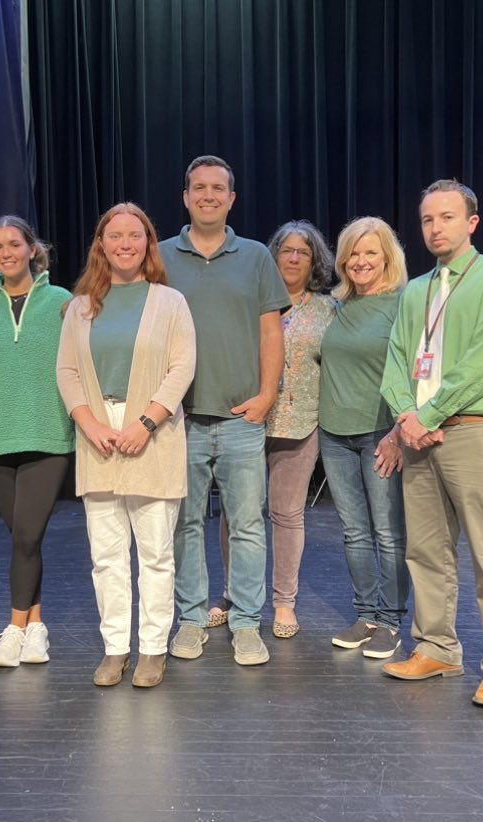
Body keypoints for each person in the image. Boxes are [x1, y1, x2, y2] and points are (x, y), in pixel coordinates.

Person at [380, 179, 483, 709]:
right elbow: (397, 360)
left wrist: (429, 414)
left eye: (446, 217)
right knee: (426, 552)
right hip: (419, 435)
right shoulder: (415, 290)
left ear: (471, 222)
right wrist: (405, 417)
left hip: (473, 430)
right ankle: (437, 648)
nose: (435, 227)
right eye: (426, 220)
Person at [57, 203, 196, 687]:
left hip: (151, 432)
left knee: (156, 551)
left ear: (147, 243)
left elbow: (182, 367)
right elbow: (67, 371)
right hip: (99, 434)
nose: (124, 244)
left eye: (134, 235)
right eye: (114, 236)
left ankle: (153, 649)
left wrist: (146, 421)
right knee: (107, 553)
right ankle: (116, 648)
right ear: (101, 244)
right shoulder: (81, 306)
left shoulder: (169, 301)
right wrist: (90, 423)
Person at [160, 156, 290, 666]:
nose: (208, 195)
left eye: (218, 188)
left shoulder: (256, 256)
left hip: (241, 418)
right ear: (186, 196)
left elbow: (270, 330)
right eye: (199, 187)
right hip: (179, 419)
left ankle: (245, 624)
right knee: (185, 524)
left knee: (248, 526)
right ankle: (191, 620)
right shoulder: (161, 255)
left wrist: (266, 395)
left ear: (232, 198)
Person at [208, 221, 335, 638]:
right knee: (238, 513)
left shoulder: (328, 309)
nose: (294, 258)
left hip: (300, 424)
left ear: (314, 260)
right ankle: (234, 593)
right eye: (286, 250)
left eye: (303, 252)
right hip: (247, 418)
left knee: (287, 514)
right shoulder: (253, 302)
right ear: (272, 256)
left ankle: (284, 603)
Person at [0, 216, 74, 667]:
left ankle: (14, 628)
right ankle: (36, 626)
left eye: (13, 244)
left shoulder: (64, 303)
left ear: (32, 249)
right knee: (22, 540)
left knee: (27, 535)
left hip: (47, 433)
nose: (5, 253)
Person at [319, 217, 410, 660]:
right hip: (333, 433)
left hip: (381, 432)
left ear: (387, 257)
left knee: (388, 533)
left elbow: (415, 371)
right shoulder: (334, 306)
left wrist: (398, 432)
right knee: (354, 532)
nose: (360, 261)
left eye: (370, 252)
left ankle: (391, 622)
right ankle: (366, 615)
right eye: (353, 253)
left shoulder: (402, 304)